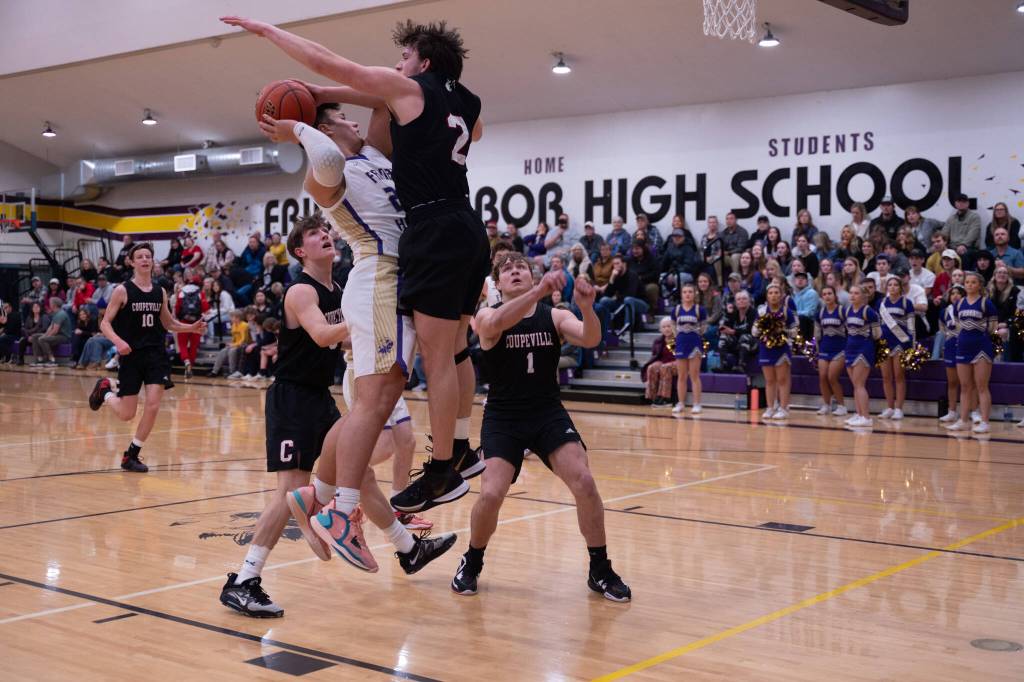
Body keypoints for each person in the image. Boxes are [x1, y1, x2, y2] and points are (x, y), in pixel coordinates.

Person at [221, 16, 493, 512]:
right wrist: (315, 101)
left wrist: (270, 34)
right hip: (463, 230)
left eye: (404, 59)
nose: (396, 66)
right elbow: (471, 127)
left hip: (431, 233)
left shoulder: (405, 99)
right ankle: (459, 451)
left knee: (435, 358)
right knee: (454, 348)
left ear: (423, 63)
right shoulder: (461, 100)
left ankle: (437, 471)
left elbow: (338, 66)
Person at [255, 92, 478, 570]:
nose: (353, 122)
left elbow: (384, 100)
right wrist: (298, 124)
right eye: (340, 119)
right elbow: (329, 154)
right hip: (379, 275)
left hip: (404, 279)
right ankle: (337, 512)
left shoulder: (375, 153)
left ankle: (323, 493)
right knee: (374, 401)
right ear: (325, 131)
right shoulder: (322, 175)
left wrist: (324, 94)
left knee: (378, 398)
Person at [219, 218, 454, 618]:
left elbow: (347, 337)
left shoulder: (342, 291)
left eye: (326, 232)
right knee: (289, 493)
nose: (325, 236)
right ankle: (243, 580)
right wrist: (375, 320)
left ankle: (408, 549)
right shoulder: (300, 291)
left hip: (320, 397)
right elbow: (323, 335)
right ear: (299, 251)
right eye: (314, 235)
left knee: (360, 477)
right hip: (291, 398)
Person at [451, 251, 630, 602]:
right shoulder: (488, 314)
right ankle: (472, 560)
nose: (515, 272)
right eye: (507, 270)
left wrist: (588, 308)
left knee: (585, 482)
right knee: (491, 493)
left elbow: (590, 338)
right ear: (498, 284)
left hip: (547, 412)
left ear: (532, 277)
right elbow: (487, 328)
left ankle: (600, 568)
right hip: (504, 416)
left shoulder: (555, 315)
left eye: (521, 268)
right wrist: (538, 292)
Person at [87, 243, 205, 472]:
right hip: (131, 355)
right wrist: (118, 342)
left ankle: (131, 455)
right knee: (126, 414)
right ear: (131, 262)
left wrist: (191, 328)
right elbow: (104, 323)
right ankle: (105, 390)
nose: (144, 259)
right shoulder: (122, 290)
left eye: (148, 256)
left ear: (152, 261)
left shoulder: (159, 291)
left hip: (156, 355)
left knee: (152, 406)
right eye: (139, 256)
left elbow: (169, 323)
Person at [946, 272, 1004, 434]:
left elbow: (993, 328)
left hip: (982, 347)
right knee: (964, 386)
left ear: (980, 285)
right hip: (963, 346)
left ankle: (985, 421)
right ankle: (963, 420)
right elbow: (958, 326)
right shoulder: (959, 304)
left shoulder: (987, 304)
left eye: (973, 282)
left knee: (981, 386)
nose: (969, 285)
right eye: (967, 282)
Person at [753, 282, 797, 420]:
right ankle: (770, 407)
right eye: (771, 293)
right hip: (766, 347)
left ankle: (783, 408)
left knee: (782, 380)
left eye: (776, 293)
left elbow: (795, 332)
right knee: (770, 380)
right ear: (767, 296)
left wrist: (782, 330)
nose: (773, 296)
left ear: (781, 295)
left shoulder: (786, 311)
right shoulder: (761, 311)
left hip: (782, 348)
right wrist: (763, 327)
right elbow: (754, 332)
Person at [842, 284, 880, 428]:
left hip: (864, 349)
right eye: (851, 293)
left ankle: (866, 417)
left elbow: (878, 334)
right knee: (855, 385)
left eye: (856, 293)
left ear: (864, 296)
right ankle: (859, 414)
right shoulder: (847, 311)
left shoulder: (868, 311)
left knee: (859, 384)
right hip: (850, 348)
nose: (852, 296)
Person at [876, 275, 914, 420]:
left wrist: (911, 346)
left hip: (900, 342)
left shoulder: (907, 303)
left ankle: (899, 408)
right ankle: (890, 407)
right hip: (885, 342)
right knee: (886, 377)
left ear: (900, 287)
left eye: (895, 285)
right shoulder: (881, 303)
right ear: (886, 288)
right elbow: (878, 325)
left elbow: (911, 328)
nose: (892, 287)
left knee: (899, 376)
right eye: (890, 285)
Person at [671, 283, 706, 414]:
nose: (687, 294)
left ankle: (697, 404)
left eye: (690, 292)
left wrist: (693, 333)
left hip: (695, 344)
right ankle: (681, 403)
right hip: (680, 343)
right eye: (685, 292)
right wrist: (679, 335)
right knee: (681, 375)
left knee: (694, 375)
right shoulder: (676, 309)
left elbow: (704, 327)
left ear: (694, 293)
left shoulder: (699, 309)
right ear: (681, 294)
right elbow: (673, 325)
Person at [814, 285, 848, 416]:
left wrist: (848, 349)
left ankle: (841, 406)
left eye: (830, 293)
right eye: (824, 294)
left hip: (840, 349)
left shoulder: (842, 311)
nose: (827, 296)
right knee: (822, 377)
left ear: (835, 296)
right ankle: (826, 405)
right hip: (824, 349)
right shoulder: (820, 313)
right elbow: (817, 334)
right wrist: (816, 349)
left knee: (832, 377)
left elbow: (849, 330)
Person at [938, 285, 965, 424]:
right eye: (952, 293)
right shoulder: (944, 312)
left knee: (967, 383)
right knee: (952, 382)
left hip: (965, 346)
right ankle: (952, 411)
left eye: (958, 293)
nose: (955, 295)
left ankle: (973, 411)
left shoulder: (967, 309)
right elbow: (942, 329)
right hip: (950, 346)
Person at [717, 290, 757, 373]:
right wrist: (727, 315)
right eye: (738, 299)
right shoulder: (733, 313)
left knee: (745, 336)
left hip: (752, 345)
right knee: (723, 337)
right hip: (737, 344)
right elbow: (721, 328)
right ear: (735, 302)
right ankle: (724, 364)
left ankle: (741, 365)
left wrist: (733, 332)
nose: (741, 301)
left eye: (744, 298)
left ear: (749, 301)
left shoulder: (754, 313)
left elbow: (751, 331)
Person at [643, 316, 677, 406]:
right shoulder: (658, 341)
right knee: (651, 367)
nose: (666, 329)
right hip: (663, 362)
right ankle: (653, 397)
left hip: (679, 363)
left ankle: (666, 398)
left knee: (665, 367)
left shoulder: (678, 339)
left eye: (669, 326)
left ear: (674, 327)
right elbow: (655, 356)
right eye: (664, 327)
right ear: (660, 329)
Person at [30, 297, 72, 367]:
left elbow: (55, 331)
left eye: (50, 303)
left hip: (63, 336)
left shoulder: (60, 314)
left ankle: (52, 360)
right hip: (57, 335)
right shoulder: (55, 313)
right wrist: (45, 334)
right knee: (35, 336)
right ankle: (39, 360)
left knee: (42, 339)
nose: (49, 304)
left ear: (54, 305)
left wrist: (44, 336)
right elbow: (50, 328)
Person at [943, 193, 982, 259]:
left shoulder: (974, 217)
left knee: (964, 254)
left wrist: (963, 245)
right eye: (959, 201)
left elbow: (972, 235)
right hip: (952, 248)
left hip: (969, 248)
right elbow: (944, 234)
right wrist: (942, 245)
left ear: (968, 204)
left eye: (964, 201)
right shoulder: (951, 219)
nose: (961, 203)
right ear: (955, 204)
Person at [211, 309, 247, 377]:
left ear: (238, 317)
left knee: (232, 351)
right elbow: (234, 338)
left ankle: (232, 371)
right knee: (223, 351)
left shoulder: (244, 325)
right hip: (236, 344)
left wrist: (233, 345)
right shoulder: (233, 325)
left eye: (232, 317)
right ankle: (214, 371)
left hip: (244, 344)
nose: (231, 318)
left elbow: (243, 340)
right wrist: (230, 344)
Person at [721, 211, 749, 275]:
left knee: (734, 256)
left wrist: (728, 252)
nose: (729, 221)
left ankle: (735, 277)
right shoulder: (723, 233)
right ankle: (719, 282)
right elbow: (719, 244)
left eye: (731, 219)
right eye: (727, 219)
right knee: (717, 258)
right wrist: (720, 251)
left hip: (738, 254)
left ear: (736, 220)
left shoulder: (742, 231)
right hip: (727, 256)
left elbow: (741, 248)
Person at [701, 216, 724, 285]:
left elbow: (720, 251)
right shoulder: (704, 236)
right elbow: (701, 250)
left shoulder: (720, 236)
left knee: (710, 269)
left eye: (714, 222)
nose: (712, 224)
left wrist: (711, 258)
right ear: (708, 224)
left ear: (717, 224)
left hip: (714, 259)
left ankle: (718, 287)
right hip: (704, 259)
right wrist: (704, 258)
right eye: (710, 222)